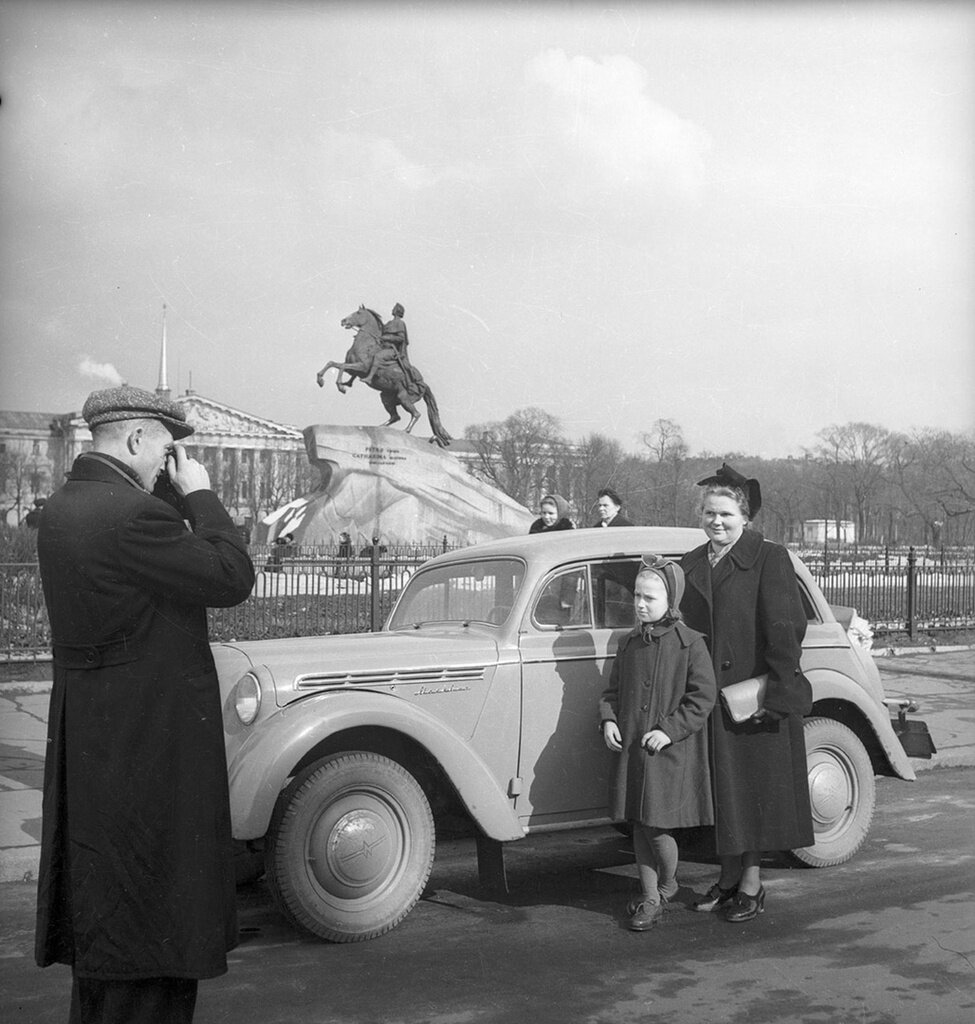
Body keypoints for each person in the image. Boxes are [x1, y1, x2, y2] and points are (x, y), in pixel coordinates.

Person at [35, 385, 255, 1023]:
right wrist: (203, 495)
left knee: (109, 945)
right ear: (135, 440)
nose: (168, 461)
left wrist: (163, 491)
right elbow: (231, 577)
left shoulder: (66, 508)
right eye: (163, 446)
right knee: (157, 935)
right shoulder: (134, 519)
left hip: (101, 745)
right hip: (150, 752)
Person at [679, 463, 813, 924]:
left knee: (753, 792)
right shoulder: (692, 562)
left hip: (752, 698)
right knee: (726, 795)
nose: (716, 522)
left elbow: (786, 630)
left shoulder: (768, 557)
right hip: (710, 698)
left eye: (726, 515)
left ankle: (752, 883)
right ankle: (729, 877)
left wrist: (774, 695)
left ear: (745, 518)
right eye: (709, 513)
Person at [599, 555, 716, 931]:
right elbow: (612, 692)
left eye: (649, 597)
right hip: (634, 747)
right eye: (636, 595)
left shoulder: (690, 644)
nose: (639, 604)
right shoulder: (629, 642)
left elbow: (702, 698)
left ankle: (667, 883)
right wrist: (609, 719)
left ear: (671, 602)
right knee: (639, 823)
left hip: (669, 753)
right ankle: (650, 898)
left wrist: (669, 730)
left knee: (657, 827)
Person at [362, 303, 419, 387]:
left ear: (397, 311)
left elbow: (401, 338)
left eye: (393, 309)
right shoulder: (389, 323)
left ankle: (370, 378)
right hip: (383, 347)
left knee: (378, 356)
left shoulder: (400, 323)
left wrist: (387, 338)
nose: (392, 310)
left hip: (392, 350)